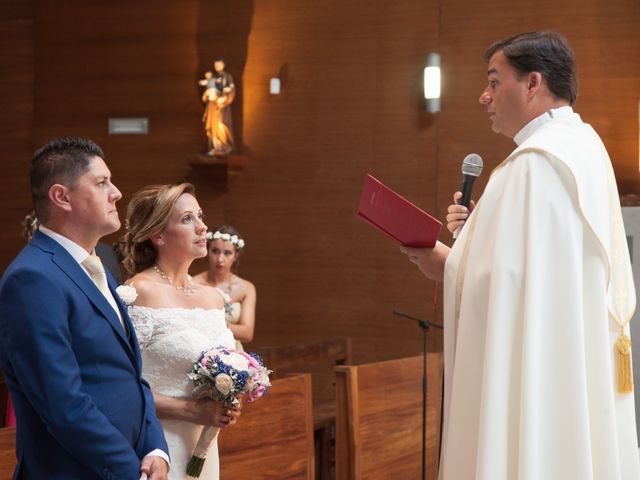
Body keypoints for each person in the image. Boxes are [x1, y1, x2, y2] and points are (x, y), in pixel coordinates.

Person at [401, 32, 640, 479]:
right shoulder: (584, 146)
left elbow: (506, 281)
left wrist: (446, 262)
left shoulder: (532, 163)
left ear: (533, 83)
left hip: (540, 361)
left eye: (494, 81)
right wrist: (477, 234)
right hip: (568, 352)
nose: (483, 96)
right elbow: (542, 265)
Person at [0, 137, 169, 479]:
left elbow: (130, 375)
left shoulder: (95, 266)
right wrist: (127, 470)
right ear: (62, 196)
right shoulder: (32, 278)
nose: (117, 192)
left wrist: (155, 447)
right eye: (102, 182)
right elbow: (62, 402)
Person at [120, 183, 241, 480]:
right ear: (158, 234)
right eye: (188, 219)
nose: (203, 228)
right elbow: (121, 386)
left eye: (200, 216)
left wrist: (232, 397)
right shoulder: (140, 292)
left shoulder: (212, 297)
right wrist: (191, 411)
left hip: (203, 447)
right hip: (157, 447)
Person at [193, 225, 256, 351]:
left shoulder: (246, 288)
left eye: (227, 253)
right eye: (215, 251)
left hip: (233, 353)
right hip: (199, 351)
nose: (220, 259)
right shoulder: (193, 283)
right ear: (207, 251)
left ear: (236, 256)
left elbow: (247, 333)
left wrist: (212, 323)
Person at [198, 57, 236, 156]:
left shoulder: (228, 76)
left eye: (219, 64)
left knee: (220, 125)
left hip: (221, 106)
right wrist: (207, 93)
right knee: (212, 127)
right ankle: (216, 147)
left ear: (223, 65)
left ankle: (225, 146)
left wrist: (224, 97)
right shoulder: (213, 77)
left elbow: (231, 89)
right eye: (216, 65)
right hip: (212, 105)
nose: (217, 66)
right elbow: (208, 89)